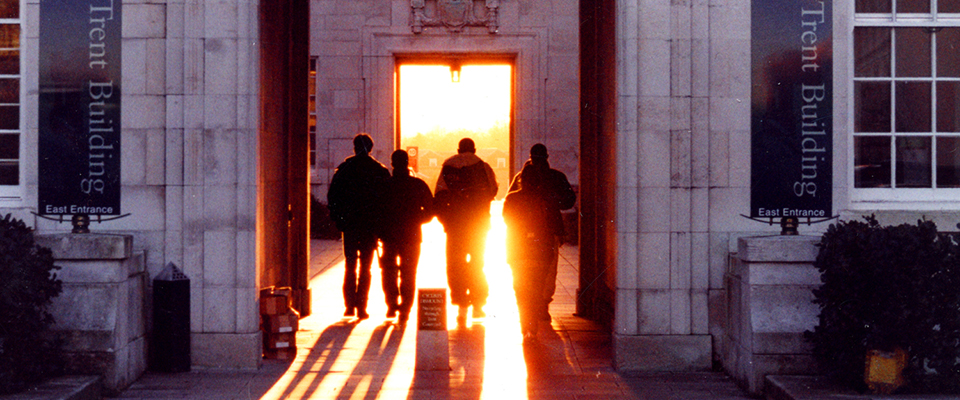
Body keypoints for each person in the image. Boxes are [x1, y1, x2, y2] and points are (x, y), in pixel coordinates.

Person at [507, 143, 576, 322]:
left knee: (521, 270)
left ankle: (527, 303)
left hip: (521, 234)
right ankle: (542, 305)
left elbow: (509, 207)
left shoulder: (519, 178)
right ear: (547, 157)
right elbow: (569, 201)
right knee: (548, 271)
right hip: (549, 229)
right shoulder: (556, 177)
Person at [434, 138, 498, 325]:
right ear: (474, 149)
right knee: (478, 263)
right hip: (478, 225)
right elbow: (493, 190)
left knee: (456, 264)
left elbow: (440, 194)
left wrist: (444, 220)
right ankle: (478, 303)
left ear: (458, 149)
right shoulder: (484, 166)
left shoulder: (448, 166)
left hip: (455, 225)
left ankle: (461, 303)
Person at [327, 133, 390, 320]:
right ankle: (361, 306)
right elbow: (386, 202)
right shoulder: (379, 171)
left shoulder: (344, 169)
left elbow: (333, 197)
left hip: (351, 225)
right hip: (369, 226)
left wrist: (339, 220)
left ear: (354, 148)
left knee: (350, 265)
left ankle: (350, 306)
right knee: (365, 268)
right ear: (370, 148)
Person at [502, 165, 560, 342]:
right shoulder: (546, 199)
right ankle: (532, 325)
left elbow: (507, 219)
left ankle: (525, 324)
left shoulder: (512, 199)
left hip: (518, 250)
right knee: (537, 288)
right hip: (540, 251)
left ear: (521, 180)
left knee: (520, 289)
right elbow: (554, 223)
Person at [379, 149, 434, 324]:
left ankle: (392, 303)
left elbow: (376, 211)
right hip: (412, 234)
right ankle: (405, 308)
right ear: (407, 162)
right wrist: (418, 220)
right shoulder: (418, 185)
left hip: (389, 235)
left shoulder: (385, 186)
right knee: (409, 272)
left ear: (393, 163)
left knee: (388, 271)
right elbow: (431, 211)